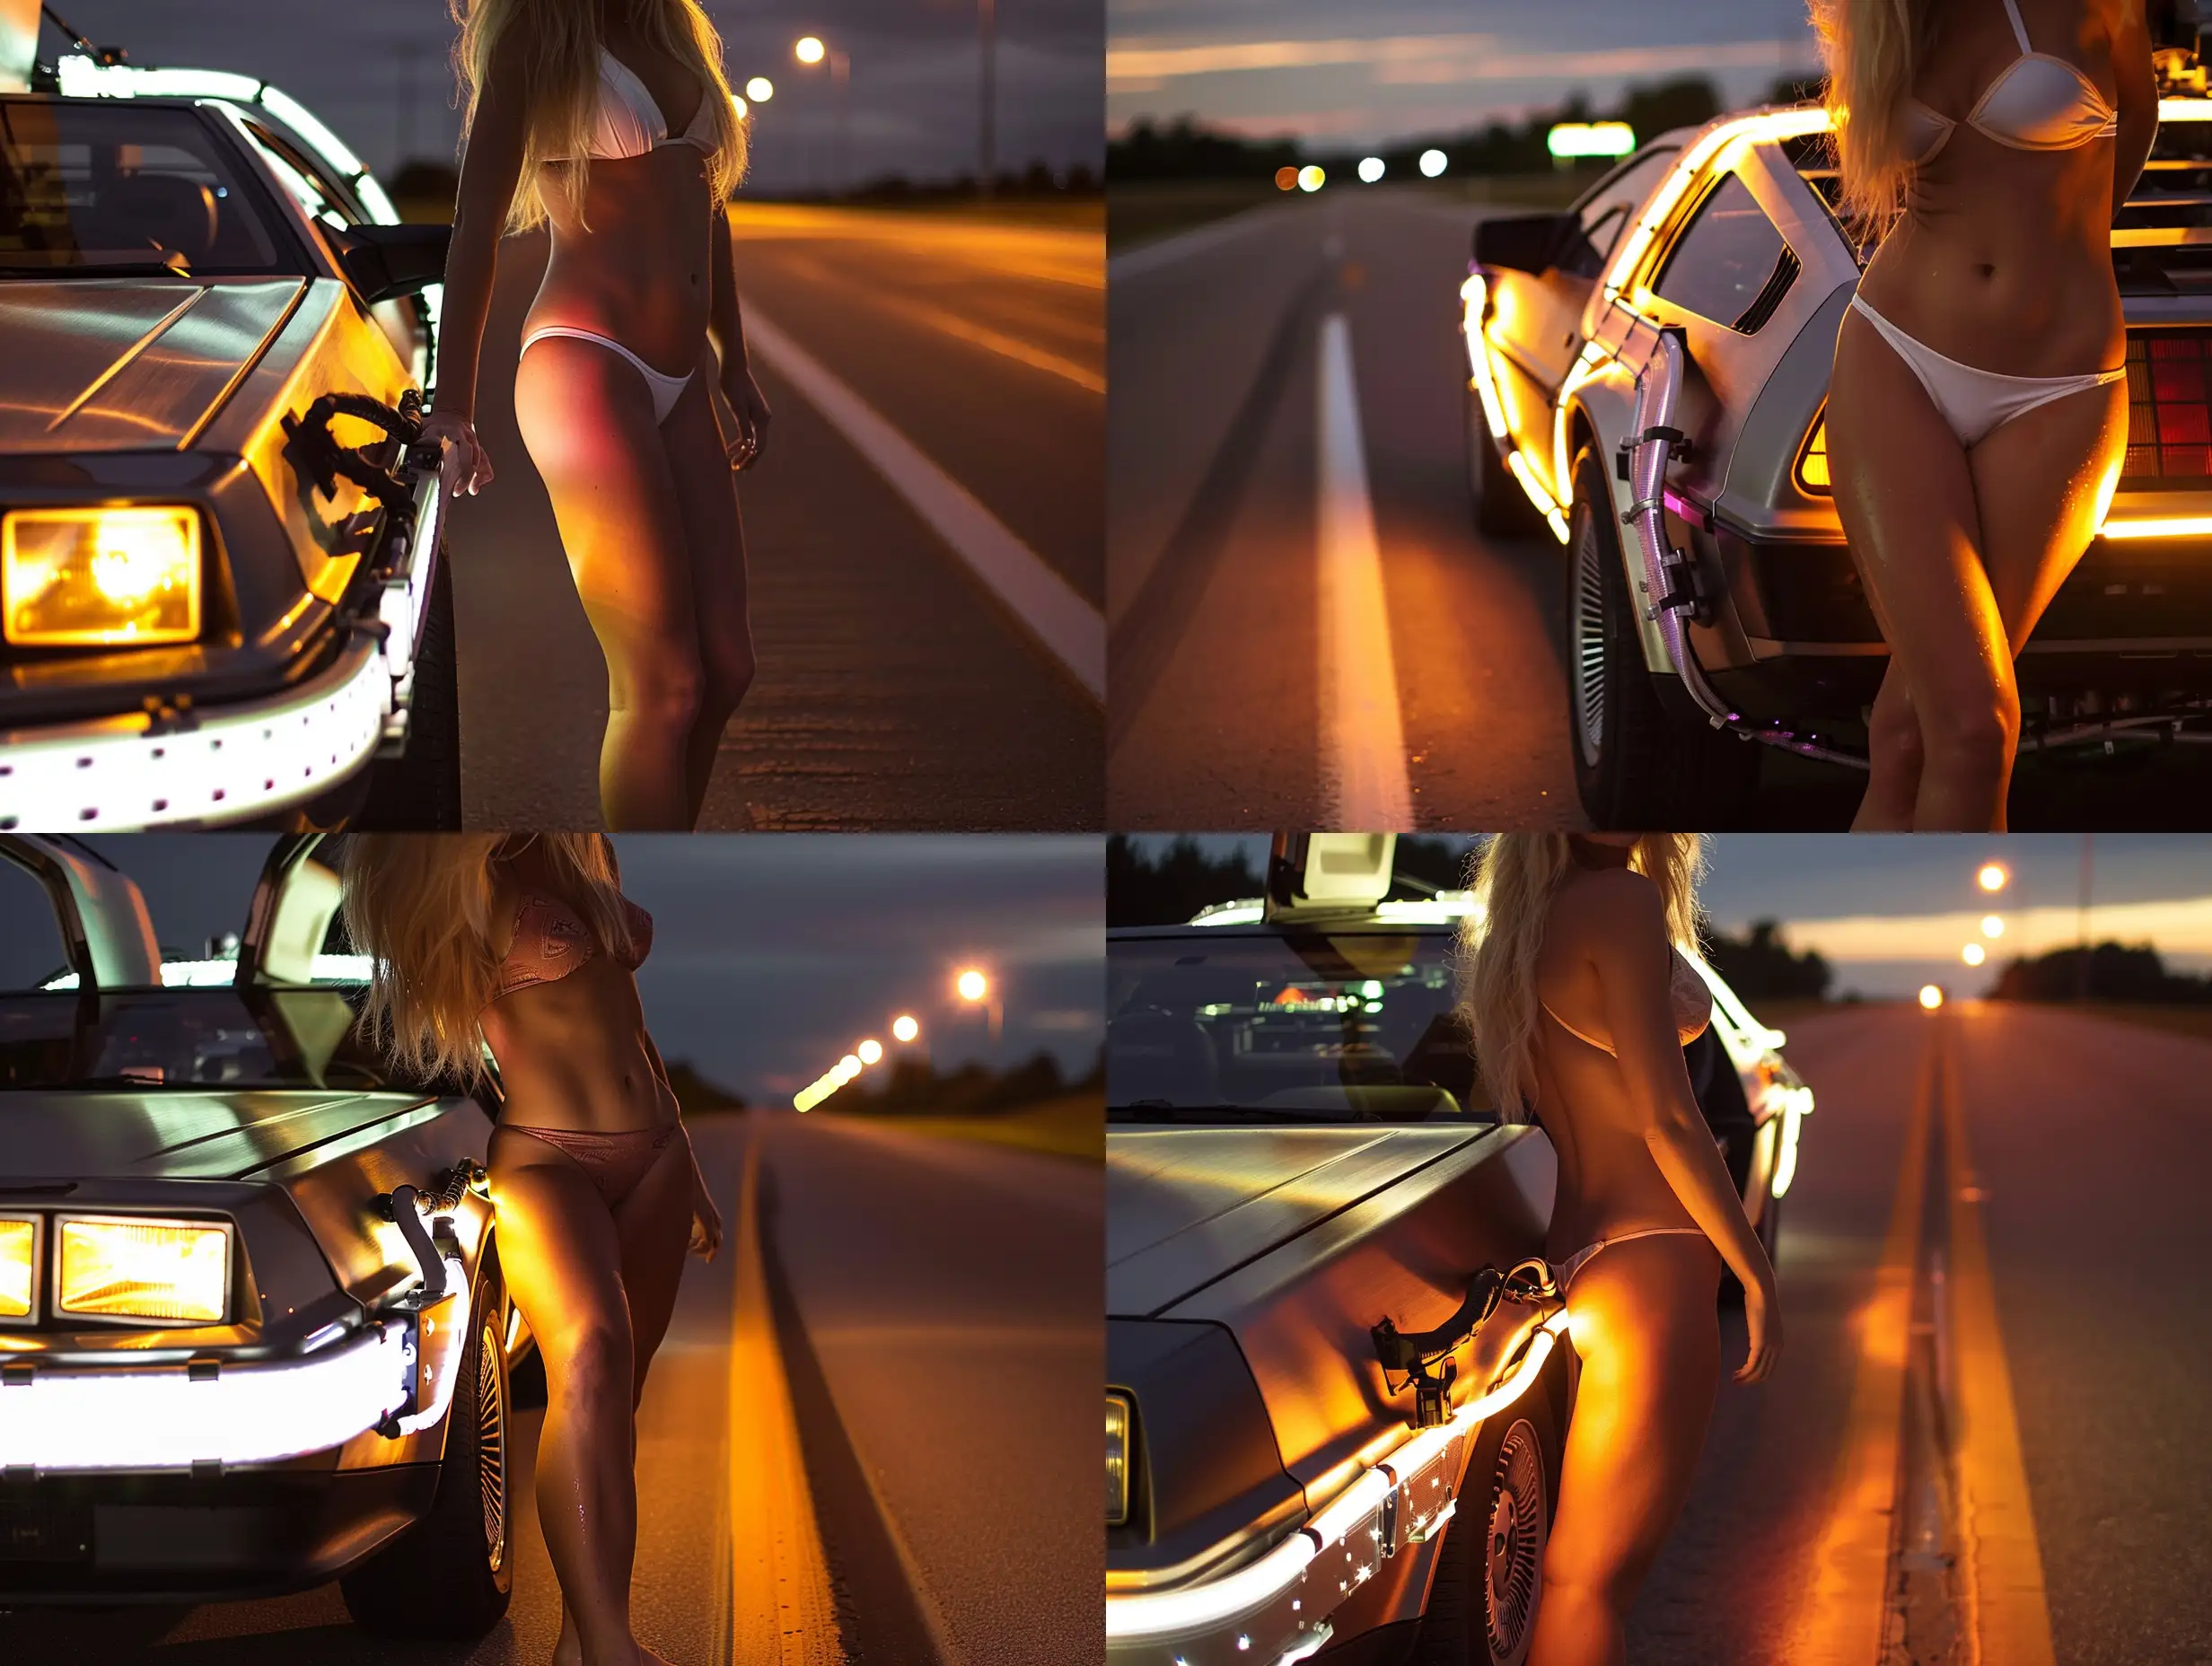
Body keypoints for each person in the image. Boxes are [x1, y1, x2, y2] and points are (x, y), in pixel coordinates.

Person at [342, 833, 723, 1666]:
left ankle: (578, 1641)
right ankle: (614, 1646)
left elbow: (630, 1024)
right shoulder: (455, 877)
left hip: (656, 1150)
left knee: (612, 1414)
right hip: (548, 1156)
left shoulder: (576, 853)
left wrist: (688, 1167)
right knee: (587, 1358)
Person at [424, 0, 773, 830]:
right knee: (661, 685)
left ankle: (659, 863)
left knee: (726, 670)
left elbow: (707, 209)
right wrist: (452, 409)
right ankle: (637, 885)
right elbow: (475, 226)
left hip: (680, 374)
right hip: (585, 361)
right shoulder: (539, 42)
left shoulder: (672, 35)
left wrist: (737, 363)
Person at [1815, 0, 2156, 830]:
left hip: (2060, 389)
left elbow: (2134, 138)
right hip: (1896, 356)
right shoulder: (1884, 18)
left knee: (1948, 735)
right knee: (1939, 731)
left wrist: (2054, 264)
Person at [1459, 833, 1779, 1666]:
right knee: (1591, 1588)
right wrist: (1752, 1267)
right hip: (1655, 1258)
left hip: (1576, 1259)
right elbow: (1668, 1118)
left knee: (1570, 1579)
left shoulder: (1519, 933)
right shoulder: (1623, 905)